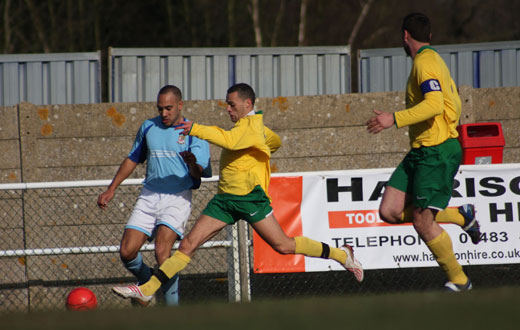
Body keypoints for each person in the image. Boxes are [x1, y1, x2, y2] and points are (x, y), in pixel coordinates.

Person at [112, 82, 363, 303]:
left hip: (249, 199)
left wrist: (195, 128)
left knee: (284, 246)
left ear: (247, 103)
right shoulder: (252, 127)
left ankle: (342, 255)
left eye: (232, 105)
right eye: (227, 105)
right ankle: (148, 289)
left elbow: (229, 140)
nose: (228, 110)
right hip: (224, 201)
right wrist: (266, 145)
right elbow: (274, 141)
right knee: (188, 244)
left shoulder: (251, 127)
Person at [366, 13, 481, 292]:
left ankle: (460, 280)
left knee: (422, 220)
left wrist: (394, 118)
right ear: (428, 36)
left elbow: (434, 105)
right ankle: (461, 217)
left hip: (436, 151)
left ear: (405, 35)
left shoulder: (425, 63)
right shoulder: (429, 60)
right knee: (390, 211)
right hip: (421, 150)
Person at [97, 85, 210, 305]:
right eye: (160, 109)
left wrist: (191, 163)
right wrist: (111, 189)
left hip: (178, 196)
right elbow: (133, 158)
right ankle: (147, 282)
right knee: (127, 252)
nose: (164, 113)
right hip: (149, 194)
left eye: (168, 108)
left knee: (162, 253)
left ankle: (171, 311)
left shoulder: (194, 132)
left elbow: (199, 174)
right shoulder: (149, 127)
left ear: (180, 105)